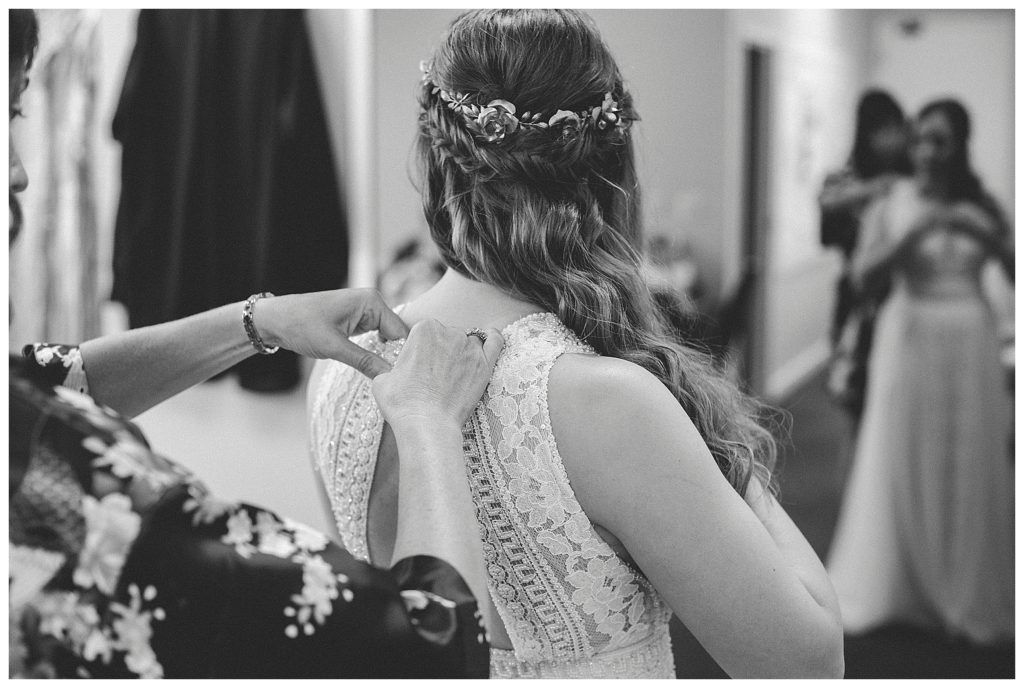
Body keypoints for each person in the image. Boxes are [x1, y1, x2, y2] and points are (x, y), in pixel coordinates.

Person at [309, 9, 844, 679]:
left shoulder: (340, 367)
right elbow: (807, 664)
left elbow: (378, 621)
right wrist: (723, 454)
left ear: (433, 160)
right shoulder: (611, 402)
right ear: (611, 171)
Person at [9, 9, 502, 678]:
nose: (18, 174)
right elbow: (424, 649)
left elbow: (51, 378)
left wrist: (257, 321)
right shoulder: (84, 498)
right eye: (8, 118)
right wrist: (428, 423)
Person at [826, 98, 1014, 645]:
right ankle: (903, 578)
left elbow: (1012, 267)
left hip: (972, 343)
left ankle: (962, 576)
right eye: (920, 139)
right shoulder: (894, 200)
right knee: (905, 449)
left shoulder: (983, 204)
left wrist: (986, 238)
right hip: (909, 337)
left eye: (940, 140)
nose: (927, 151)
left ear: (961, 146)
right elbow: (864, 276)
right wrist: (914, 235)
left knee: (968, 453)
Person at [818, 89, 912, 417]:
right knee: (853, 394)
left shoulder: (914, 179)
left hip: (901, 296)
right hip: (855, 299)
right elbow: (827, 224)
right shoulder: (846, 178)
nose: (887, 138)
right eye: (878, 129)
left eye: (893, 127)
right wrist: (874, 190)